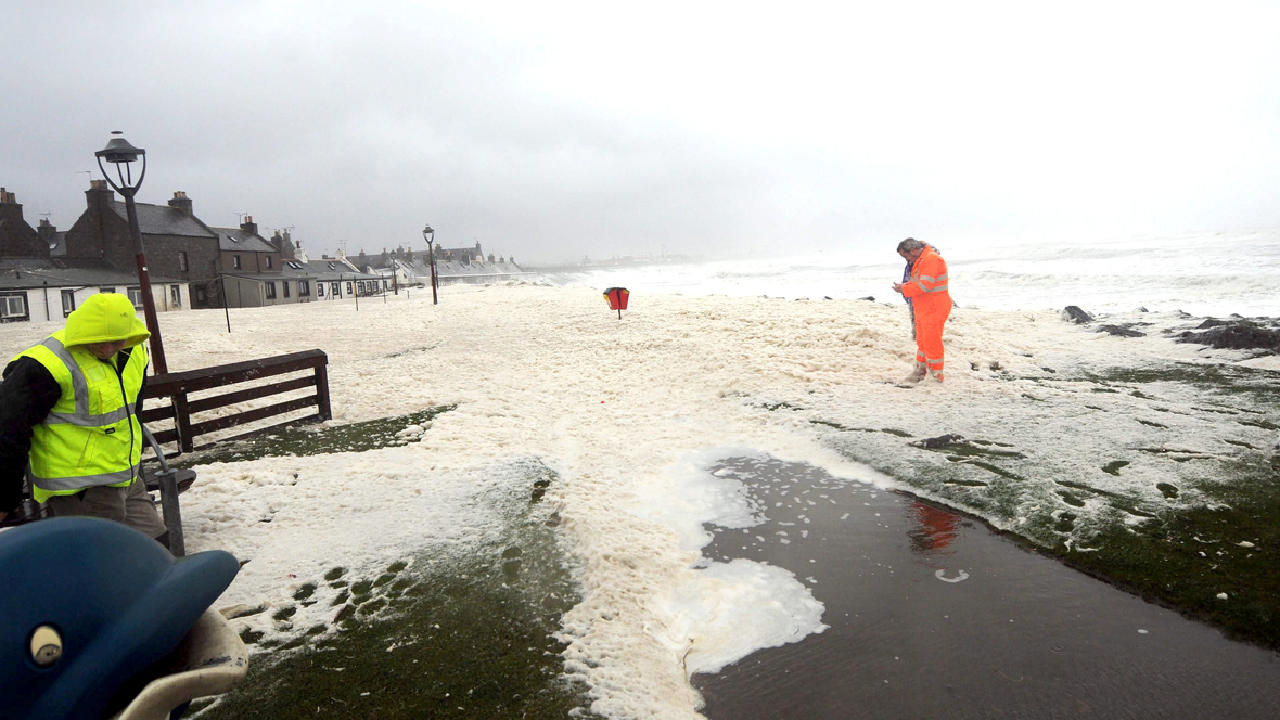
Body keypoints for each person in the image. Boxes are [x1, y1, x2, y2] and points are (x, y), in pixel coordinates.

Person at [0, 293, 167, 540]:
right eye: (100, 341)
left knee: (156, 543)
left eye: (117, 341)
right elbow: (8, 427)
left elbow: (132, 411)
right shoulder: (46, 364)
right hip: (79, 489)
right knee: (103, 560)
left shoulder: (135, 351)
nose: (108, 349)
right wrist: (5, 498)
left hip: (126, 477)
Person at [892, 238, 951, 383]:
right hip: (924, 308)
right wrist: (905, 287)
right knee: (923, 342)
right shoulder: (920, 260)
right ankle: (920, 370)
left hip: (934, 308)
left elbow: (925, 286)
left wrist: (903, 289)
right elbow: (918, 283)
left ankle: (936, 375)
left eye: (905, 256)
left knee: (932, 342)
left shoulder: (931, 260)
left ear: (913, 251)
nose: (906, 259)